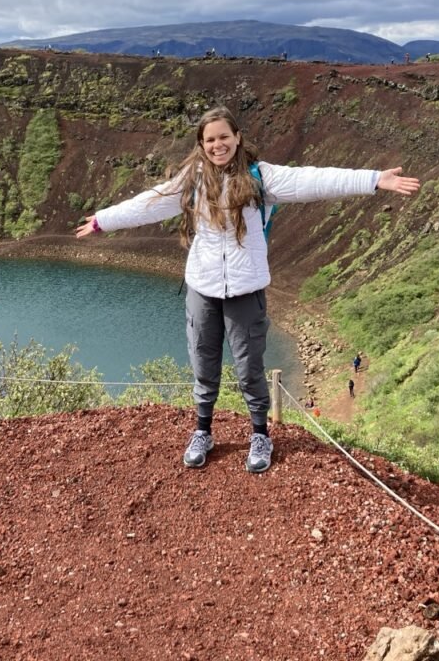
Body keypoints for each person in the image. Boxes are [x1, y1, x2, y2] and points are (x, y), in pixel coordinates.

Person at [75, 106, 420, 473]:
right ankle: (203, 431)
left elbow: (312, 181)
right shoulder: (192, 180)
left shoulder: (261, 178)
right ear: (201, 144)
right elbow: (151, 203)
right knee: (204, 366)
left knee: (248, 369)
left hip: (245, 290)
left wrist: (372, 180)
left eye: (224, 136)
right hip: (202, 290)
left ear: (238, 137)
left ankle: (260, 436)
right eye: (210, 139)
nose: (217, 145)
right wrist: (103, 220)